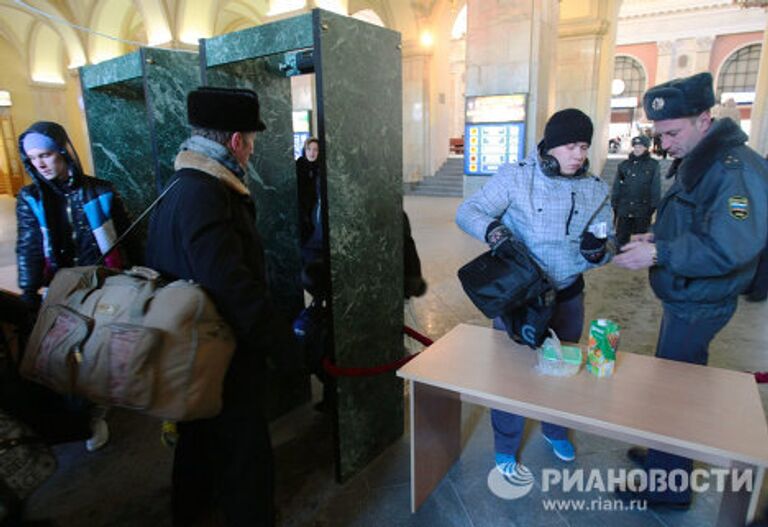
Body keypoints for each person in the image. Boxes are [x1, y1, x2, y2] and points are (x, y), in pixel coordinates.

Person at [614, 72, 768, 507]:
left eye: (672, 132)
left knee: (675, 392)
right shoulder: (707, 157)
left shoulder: (732, 170)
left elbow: (728, 246)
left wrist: (659, 254)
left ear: (705, 118)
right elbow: (695, 221)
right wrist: (655, 239)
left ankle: (670, 488)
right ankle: (668, 458)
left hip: (701, 300)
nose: (665, 143)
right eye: (660, 134)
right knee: (675, 386)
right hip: (686, 295)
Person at [146, 87, 290, 526]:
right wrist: (279, 343)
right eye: (251, 141)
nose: (251, 151)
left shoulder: (179, 183)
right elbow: (231, 285)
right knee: (243, 448)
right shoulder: (208, 192)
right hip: (219, 349)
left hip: (189, 345)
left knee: (197, 437)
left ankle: (191, 511)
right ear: (235, 141)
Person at [456, 108, 615, 482]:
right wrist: (493, 230)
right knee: (509, 375)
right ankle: (506, 445)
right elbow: (469, 210)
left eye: (584, 147)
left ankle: (555, 429)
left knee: (563, 368)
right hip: (519, 296)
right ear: (550, 146)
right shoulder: (516, 177)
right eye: (571, 146)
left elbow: (605, 243)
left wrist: (599, 251)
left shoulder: (596, 189)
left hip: (568, 295)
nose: (578, 154)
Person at [16, 121, 132, 452]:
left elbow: (126, 237)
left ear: (64, 151)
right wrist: (27, 291)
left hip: (102, 281)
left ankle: (95, 411)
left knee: (96, 348)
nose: (39, 164)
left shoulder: (101, 189)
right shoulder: (31, 197)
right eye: (32, 158)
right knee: (66, 352)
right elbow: (29, 246)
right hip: (59, 285)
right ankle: (83, 418)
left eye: (46, 155)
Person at [611, 135, 661, 246]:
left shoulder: (653, 165)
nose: (637, 149)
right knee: (621, 237)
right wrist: (615, 203)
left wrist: (653, 206)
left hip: (642, 208)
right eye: (635, 146)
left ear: (646, 148)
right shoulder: (624, 165)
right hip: (625, 208)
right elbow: (617, 186)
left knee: (640, 238)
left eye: (640, 146)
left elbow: (655, 186)